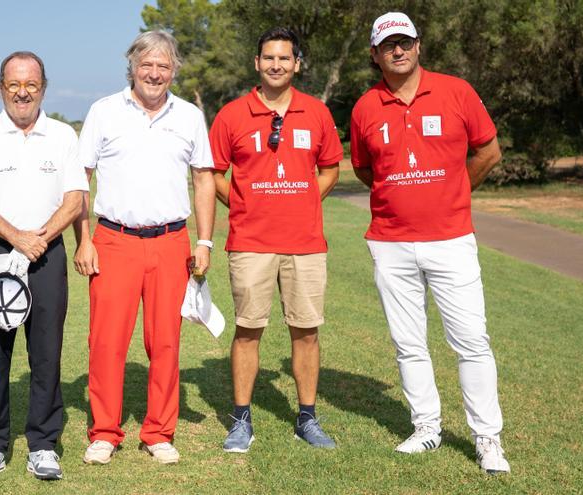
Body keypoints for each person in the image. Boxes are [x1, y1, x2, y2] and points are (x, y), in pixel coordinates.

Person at [350, 12, 511, 474]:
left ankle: (487, 438)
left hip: (451, 238)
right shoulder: (364, 107)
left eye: (405, 42)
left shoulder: (455, 90)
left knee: (471, 341)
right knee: (408, 343)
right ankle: (426, 427)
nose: (397, 51)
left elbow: (489, 151)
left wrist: (454, 192)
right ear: (375, 54)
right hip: (390, 242)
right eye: (388, 45)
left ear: (419, 45)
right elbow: (365, 169)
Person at [72, 30, 216, 466]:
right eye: (146, 64)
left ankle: (158, 432)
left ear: (173, 71)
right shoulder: (103, 112)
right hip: (113, 240)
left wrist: (205, 241)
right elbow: (81, 178)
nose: (154, 73)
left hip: (172, 241)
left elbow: (204, 178)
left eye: (164, 66)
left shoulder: (189, 115)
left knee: (166, 342)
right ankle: (104, 432)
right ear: (132, 66)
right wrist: (83, 239)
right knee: (106, 342)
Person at [0, 51, 88, 481]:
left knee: (46, 352)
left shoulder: (64, 135)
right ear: (1, 88)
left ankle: (43, 444)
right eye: (13, 84)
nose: (22, 92)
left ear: (43, 87)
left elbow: (75, 200)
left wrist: (38, 239)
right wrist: (17, 238)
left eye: (30, 84)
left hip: (46, 254)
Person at [209, 27, 343, 453]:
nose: (276, 65)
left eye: (285, 59)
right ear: (257, 63)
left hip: (305, 242)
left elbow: (330, 169)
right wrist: (246, 205)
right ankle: (241, 420)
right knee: (248, 329)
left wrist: (303, 201)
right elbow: (213, 173)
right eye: (269, 58)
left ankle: (307, 418)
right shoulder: (231, 114)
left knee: (305, 331)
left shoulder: (316, 112)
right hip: (251, 242)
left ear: (297, 64)